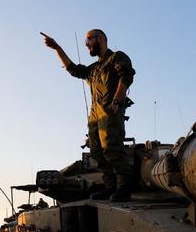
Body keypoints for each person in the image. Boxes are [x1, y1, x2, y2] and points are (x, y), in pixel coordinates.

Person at [41, 29, 136, 202]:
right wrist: (57, 48)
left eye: (88, 41)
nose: (86, 45)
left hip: (110, 112)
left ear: (100, 39)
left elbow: (126, 76)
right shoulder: (94, 69)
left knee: (112, 148)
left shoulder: (117, 57)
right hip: (95, 117)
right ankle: (110, 187)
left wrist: (116, 102)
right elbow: (73, 70)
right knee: (97, 153)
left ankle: (124, 187)